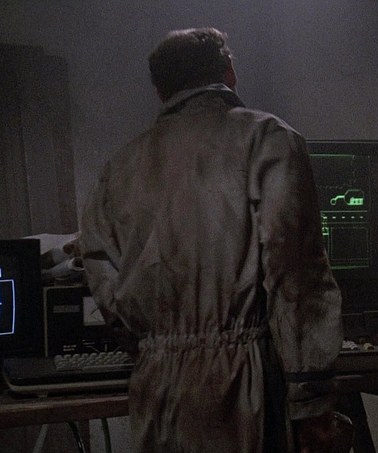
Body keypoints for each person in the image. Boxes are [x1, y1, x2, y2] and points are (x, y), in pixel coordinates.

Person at [80, 27, 352, 453]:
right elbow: (296, 275)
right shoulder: (267, 139)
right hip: (244, 385)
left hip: (157, 390)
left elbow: (105, 283)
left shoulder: (120, 167)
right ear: (229, 73)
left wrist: (158, 349)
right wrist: (311, 399)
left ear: (160, 91)